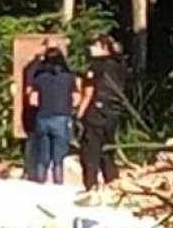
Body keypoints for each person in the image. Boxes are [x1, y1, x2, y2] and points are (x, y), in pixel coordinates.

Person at [77, 35, 127, 191]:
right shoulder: (120, 65)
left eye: (94, 45)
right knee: (108, 148)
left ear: (104, 47)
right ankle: (112, 181)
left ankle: (90, 184)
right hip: (113, 110)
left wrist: (79, 113)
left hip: (95, 110)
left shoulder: (97, 66)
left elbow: (89, 91)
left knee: (90, 149)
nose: (91, 48)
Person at [29, 47, 79, 185]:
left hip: (43, 117)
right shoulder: (69, 78)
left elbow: (32, 101)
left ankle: (40, 181)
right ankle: (58, 182)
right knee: (59, 156)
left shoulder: (39, 78)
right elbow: (76, 99)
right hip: (61, 117)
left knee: (42, 155)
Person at [20, 37, 60, 182]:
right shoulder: (36, 67)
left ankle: (41, 174)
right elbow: (29, 90)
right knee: (34, 141)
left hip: (48, 110)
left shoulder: (50, 68)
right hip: (36, 111)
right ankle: (33, 173)